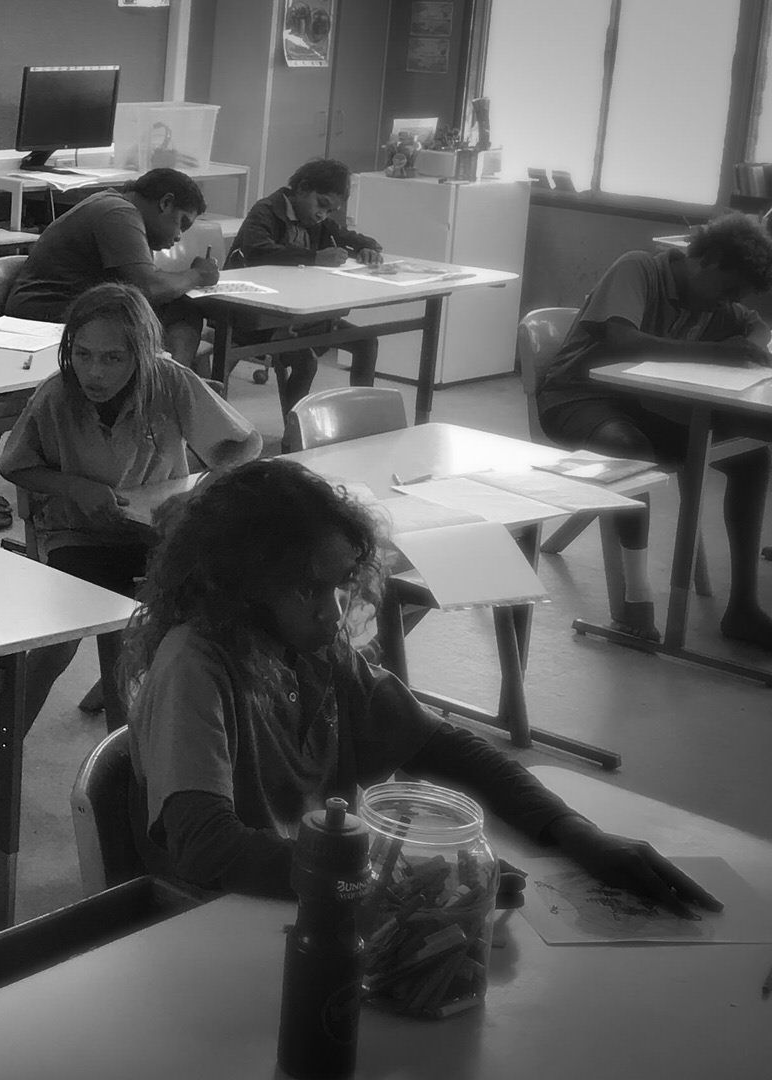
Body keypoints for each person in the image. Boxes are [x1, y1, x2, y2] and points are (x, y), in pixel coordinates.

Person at [124, 458, 722, 916]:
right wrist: (400, 879)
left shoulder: (310, 647)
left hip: (316, 900)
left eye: (338, 586)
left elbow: (447, 748)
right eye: (308, 589)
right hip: (218, 921)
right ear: (244, 583)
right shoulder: (193, 668)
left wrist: (578, 834)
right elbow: (207, 849)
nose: (334, 613)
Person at [0, 283, 261, 859]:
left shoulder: (171, 383)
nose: (95, 371)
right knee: (52, 652)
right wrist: (75, 487)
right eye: (84, 354)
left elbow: (242, 447)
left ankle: (160, 790)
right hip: (76, 535)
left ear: (142, 353)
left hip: (153, 538)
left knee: (204, 636)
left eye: (113, 357)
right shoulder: (56, 395)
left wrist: (198, 495)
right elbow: (17, 465)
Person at [536, 212, 772, 649]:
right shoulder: (639, 268)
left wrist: (751, 347)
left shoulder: (713, 298)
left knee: (750, 453)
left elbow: (755, 326)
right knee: (629, 450)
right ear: (708, 261)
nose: (727, 303)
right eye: (728, 289)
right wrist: (718, 354)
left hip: (640, 402)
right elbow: (621, 342)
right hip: (575, 397)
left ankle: (742, 605)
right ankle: (636, 600)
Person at [3, 168, 220, 376]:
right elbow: (148, 289)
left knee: (169, 309)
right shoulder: (118, 212)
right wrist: (198, 275)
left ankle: (167, 386)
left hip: (64, 306)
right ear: (165, 203)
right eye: (182, 223)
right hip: (43, 313)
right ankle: (166, 391)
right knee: (183, 310)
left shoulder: (116, 206)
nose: (179, 236)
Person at [228, 159, 384, 439]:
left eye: (330, 210)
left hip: (302, 316)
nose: (322, 215)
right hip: (255, 318)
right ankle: (295, 436)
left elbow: (351, 237)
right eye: (320, 204)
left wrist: (368, 248)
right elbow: (257, 251)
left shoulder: (319, 223)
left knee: (366, 341)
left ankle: (364, 426)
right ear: (302, 189)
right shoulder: (266, 210)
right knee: (306, 360)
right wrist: (314, 258)